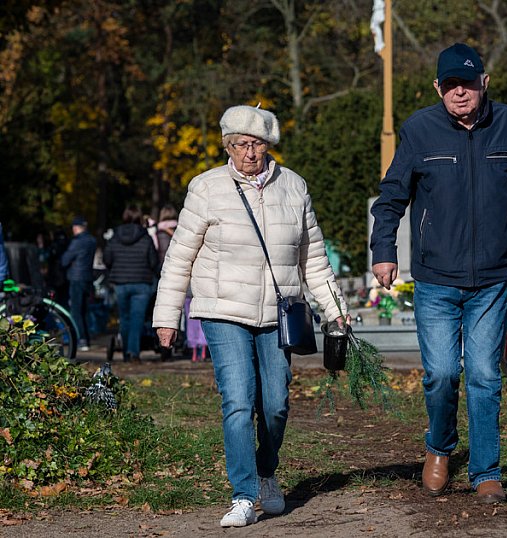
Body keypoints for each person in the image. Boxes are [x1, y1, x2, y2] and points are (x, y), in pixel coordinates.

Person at [152, 104, 349, 528]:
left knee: (275, 404)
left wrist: (337, 311)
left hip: (278, 315)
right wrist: (166, 316)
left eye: (256, 143)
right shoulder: (206, 189)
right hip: (222, 310)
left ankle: (265, 473)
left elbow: (313, 258)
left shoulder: (293, 187)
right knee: (239, 400)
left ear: (268, 145)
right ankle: (243, 494)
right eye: (240, 144)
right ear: (228, 146)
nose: (249, 152)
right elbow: (179, 257)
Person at [370, 43, 507, 504]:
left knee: (486, 375)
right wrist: (383, 252)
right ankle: (440, 448)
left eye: (467, 83)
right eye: (450, 85)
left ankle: (487, 470)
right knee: (443, 374)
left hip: (492, 277)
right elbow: (391, 198)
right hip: (435, 278)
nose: (459, 92)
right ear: (437, 88)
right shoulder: (420, 130)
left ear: (484, 83)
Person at [103, 205, 159, 362]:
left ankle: (126, 353)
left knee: (124, 317)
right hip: (142, 282)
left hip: (120, 282)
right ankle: (133, 352)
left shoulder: (115, 237)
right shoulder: (145, 237)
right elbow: (153, 261)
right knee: (137, 319)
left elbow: (107, 259)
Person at [61, 216, 96, 351]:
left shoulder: (77, 242)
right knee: (85, 310)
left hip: (76, 277)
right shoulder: (92, 241)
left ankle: (80, 339)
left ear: (75, 228)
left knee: (76, 310)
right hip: (88, 277)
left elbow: (65, 260)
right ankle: (86, 338)